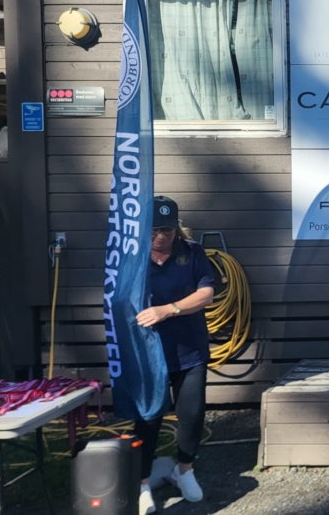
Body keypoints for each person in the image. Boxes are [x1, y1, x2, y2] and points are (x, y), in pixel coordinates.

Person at [134, 196, 215, 514]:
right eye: (155, 230)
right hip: (148, 354)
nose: (161, 236)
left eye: (167, 230)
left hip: (189, 350)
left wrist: (168, 310)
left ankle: (185, 470)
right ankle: (142, 483)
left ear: (176, 228)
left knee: (192, 415)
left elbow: (206, 293)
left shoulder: (192, 252)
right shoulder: (133, 256)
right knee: (148, 419)